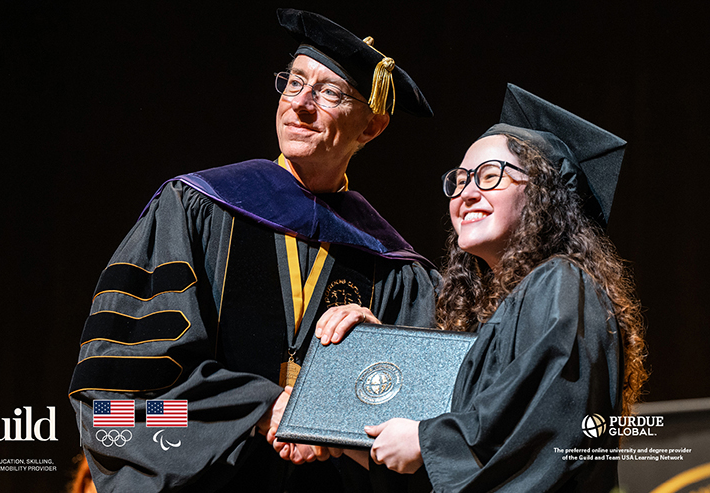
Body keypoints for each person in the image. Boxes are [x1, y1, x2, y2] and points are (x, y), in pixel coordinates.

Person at [67, 8, 438, 493]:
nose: (300, 104)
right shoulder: (195, 209)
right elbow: (114, 402)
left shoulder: (391, 265)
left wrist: (368, 368)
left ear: (371, 127)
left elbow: (416, 428)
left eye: (329, 92)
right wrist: (258, 408)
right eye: (294, 83)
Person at [313, 84, 648, 491]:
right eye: (459, 180)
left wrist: (426, 440)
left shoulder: (561, 284)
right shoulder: (490, 311)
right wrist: (370, 358)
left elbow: (538, 422)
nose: (467, 193)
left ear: (543, 195)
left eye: (490, 176)